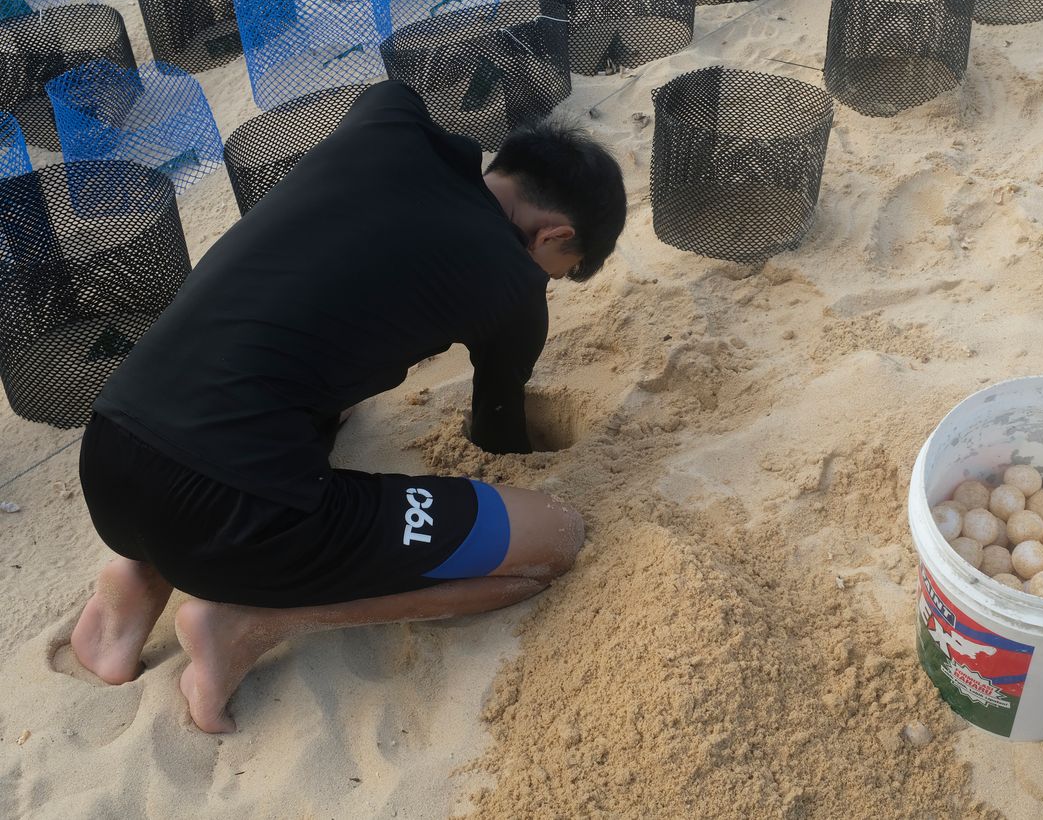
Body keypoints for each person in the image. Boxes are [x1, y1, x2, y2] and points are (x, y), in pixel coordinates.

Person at [69, 81, 627, 733]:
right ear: (553, 235)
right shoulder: (514, 284)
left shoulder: (390, 115)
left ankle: (132, 590)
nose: (550, 283)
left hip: (110, 453)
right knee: (557, 538)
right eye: (563, 268)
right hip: (231, 517)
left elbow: (385, 109)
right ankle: (248, 624)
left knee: (320, 389)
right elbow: (497, 428)